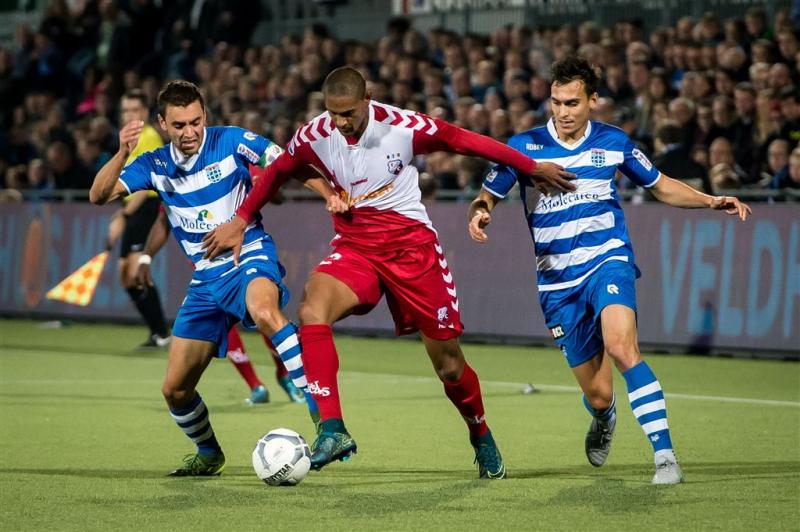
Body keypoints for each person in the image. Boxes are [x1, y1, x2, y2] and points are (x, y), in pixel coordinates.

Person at [202, 66, 574, 479]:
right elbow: (277, 173)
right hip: (356, 248)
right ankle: (332, 428)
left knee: (449, 366)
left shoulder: (402, 126)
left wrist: (529, 166)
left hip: (412, 251)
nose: (340, 123)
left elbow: (464, 140)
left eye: (348, 113)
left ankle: (480, 433)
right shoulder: (315, 134)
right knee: (312, 309)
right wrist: (241, 218)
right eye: (333, 113)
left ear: (367, 99)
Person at [467, 56, 751, 485]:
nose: (563, 112)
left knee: (622, 348)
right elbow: (486, 195)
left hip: (607, 260)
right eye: (557, 102)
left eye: (573, 103)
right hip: (558, 283)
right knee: (598, 394)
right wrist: (480, 214)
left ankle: (666, 457)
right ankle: (604, 415)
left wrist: (711, 200)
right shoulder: (524, 148)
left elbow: (660, 186)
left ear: (593, 101)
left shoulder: (614, 141)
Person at [89, 80, 343, 476]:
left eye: (195, 121)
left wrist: (327, 193)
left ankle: (324, 419)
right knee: (174, 390)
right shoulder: (153, 164)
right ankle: (209, 453)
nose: (189, 132)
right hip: (206, 281)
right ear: (163, 123)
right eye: (179, 125)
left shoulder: (232, 140)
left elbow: (287, 163)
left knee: (264, 310)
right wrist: (123, 152)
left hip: (248, 253)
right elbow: (99, 195)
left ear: (204, 114)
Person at [136, 210, 307, 406]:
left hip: (243, 258)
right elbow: (162, 220)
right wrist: (146, 257)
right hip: (208, 268)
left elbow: (275, 196)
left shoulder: (230, 179)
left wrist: (264, 183)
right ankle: (255, 385)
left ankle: (286, 375)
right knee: (222, 324)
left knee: (264, 315)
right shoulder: (169, 182)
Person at [104, 89, 171, 349]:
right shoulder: (131, 139)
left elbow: (147, 182)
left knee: (135, 273)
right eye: (125, 110)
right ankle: (158, 332)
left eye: (134, 110)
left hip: (147, 208)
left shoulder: (150, 136)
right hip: (134, 209)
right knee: (125, 276)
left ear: (144, 112)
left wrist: (125, 213)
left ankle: (161, 333)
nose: (129, 115)